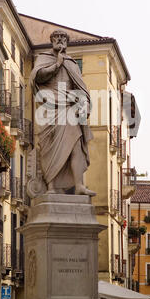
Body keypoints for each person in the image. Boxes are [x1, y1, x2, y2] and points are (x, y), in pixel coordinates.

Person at [30, 30, 95, 196]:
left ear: (67, 42)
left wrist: (85, 103)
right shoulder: (44, 58)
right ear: (51, 41)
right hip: (50, 108)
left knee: (76, 147)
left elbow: (81, 88)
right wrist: (56, 65)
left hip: (69, 109)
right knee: (49, 149)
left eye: (63, 38)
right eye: (56, 38)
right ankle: (50, 186)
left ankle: (79, 185)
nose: (59, 41)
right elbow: (37, 77)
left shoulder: (72, 63)